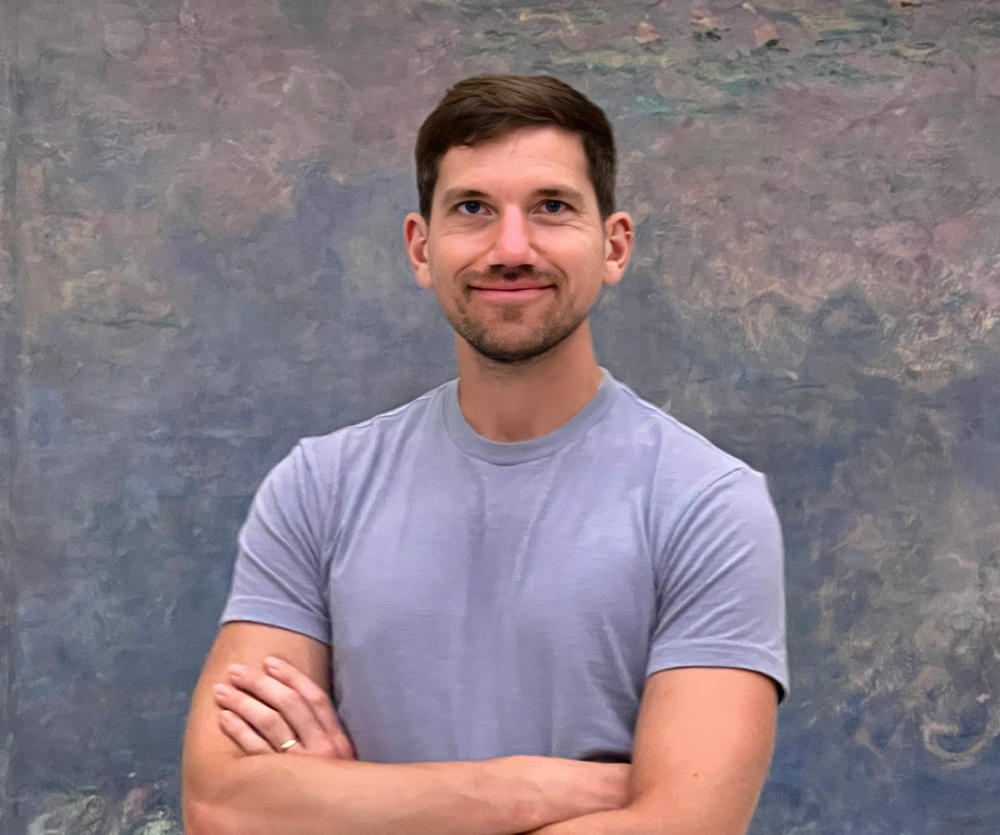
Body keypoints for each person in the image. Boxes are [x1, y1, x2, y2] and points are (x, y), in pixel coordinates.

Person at [181, 74, 788, 835]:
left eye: (552, 207)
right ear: (421, 247)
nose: (511, 247)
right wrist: (529, 790)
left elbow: (686, 826)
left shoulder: (708, 503)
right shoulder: (318, 487)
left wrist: (351, 807)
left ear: (615, 246)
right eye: (473, 209)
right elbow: (223, 806)